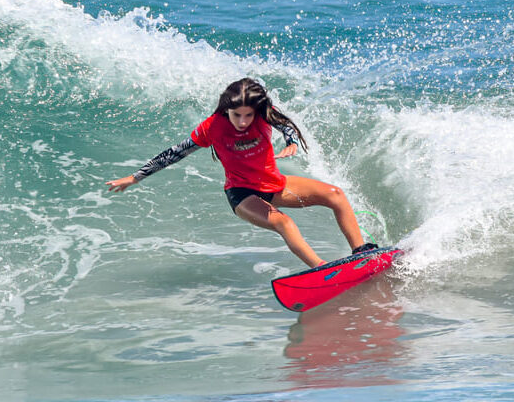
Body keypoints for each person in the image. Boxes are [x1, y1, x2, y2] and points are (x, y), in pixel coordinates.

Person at [106, 78, 377, 267]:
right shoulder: (212, 127)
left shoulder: (264, 114)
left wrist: (293, 142)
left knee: (335, 195)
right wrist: (135, 177)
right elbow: (176, 152)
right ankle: (322, 268)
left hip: (275, 184)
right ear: (227, 110)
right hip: (242, 194)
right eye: (237, 115)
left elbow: (286, 126)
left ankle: (360, 251)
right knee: (283, 223)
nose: (243, 121)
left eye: (248, 115)